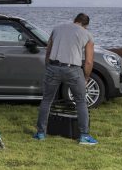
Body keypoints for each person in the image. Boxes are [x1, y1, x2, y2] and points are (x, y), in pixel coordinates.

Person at [34, 13, 98, 145]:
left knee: (46, 100)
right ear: (86, 25)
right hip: (73, 69)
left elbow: (48, 51)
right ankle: (84, 136)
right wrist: (86, 77)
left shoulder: (57, 28)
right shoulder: (87, 34)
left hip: (53, 66)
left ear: (75, 20)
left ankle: (40, 133)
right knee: (80, 101)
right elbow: (89, 62)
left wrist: (49, 67)